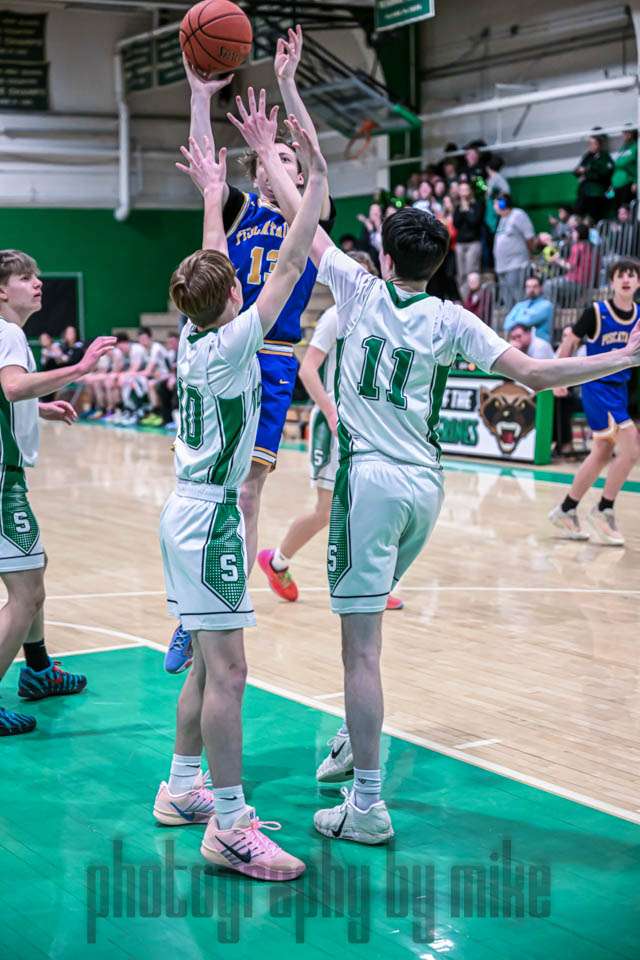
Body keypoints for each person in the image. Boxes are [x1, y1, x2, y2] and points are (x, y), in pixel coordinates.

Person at [250, 109, 640, 843]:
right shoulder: (454, 318)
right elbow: (537, 376)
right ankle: (352, 735)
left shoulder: (358, 289)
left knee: (360, 649)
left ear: (384, 256)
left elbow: (307, 222)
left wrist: (270, 152)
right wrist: (623, 355)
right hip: (428, 489)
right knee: (368, 629)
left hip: (369, 485)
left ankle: (367, 805)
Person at [154, 110, 327, 877]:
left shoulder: (194, 335)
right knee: (229, 674)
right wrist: (303, 172)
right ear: (233, 295)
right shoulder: (235, 341)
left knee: (206, 664)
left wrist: (211, 192)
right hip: (212, 522)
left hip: (183, 511)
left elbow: (214, 259)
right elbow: (289, 260)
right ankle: (228, 825)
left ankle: (181, 788)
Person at [164, 28, 336, 673]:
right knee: (205, 485)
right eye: (273, 157)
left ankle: (224, 598)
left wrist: (289, 90)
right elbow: (207, 173)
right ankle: (190, 610)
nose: (282, 162)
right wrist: (198, 98)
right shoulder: (238, 210)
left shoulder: (308, 217)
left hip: (273, 355)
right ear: (257, 167)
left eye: (291, 158)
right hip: (221, 347)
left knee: (248, 492)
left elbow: (316, 171)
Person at [0, 249, 115, 736]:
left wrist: (37, 409)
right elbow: (11, 388)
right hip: (2, 480)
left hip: (7, 476)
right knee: (26, 594)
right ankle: (34, 670)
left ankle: (39, 668)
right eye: (25, 277)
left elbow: (8, 394)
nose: (37, 283)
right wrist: (79, 367)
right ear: (1, 290)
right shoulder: (7, 333)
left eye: (37, 276)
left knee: (35, 565)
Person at [257, 250, 402, 612]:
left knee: (371, 504)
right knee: (326, 511)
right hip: (333, 423)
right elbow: (308, 370)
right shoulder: (335, 317)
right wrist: (333, 413)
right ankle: (277, 561)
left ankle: (372, 584)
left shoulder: (381, 318)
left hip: (368, 424)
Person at [549, 259, 640, 545]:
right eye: (620, 275)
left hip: (620, 390)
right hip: (597, 386)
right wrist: (559, 378)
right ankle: (603, 509)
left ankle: (566, 509)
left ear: (638, 282)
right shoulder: (597, 312)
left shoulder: (639, 315)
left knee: (601, 452)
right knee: (632, 446)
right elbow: (570, 341)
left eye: (631, 275)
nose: (626, 279)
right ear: (611, 282)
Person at [493, 194, 537, 309]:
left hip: (515, 264)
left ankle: (526, 318)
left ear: (503, 204)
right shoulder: (502, 218)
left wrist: (531, 253)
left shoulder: (518, 215)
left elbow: (529, 236)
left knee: (519, 297)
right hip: (502, 266)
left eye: (496, 203)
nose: (494, 207)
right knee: (508, 301)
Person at [543, 222, 598, 307]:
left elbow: (570, 266)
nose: (572, 235)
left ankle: (554, 311)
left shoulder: (578, 246)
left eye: (574, 232)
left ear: (578, 234)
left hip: (576, 281)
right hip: (590, 281)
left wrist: (557, 260)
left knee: (548, 285)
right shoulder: (592, 247)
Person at [452, 181, 483, 299]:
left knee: (472, 271)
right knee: (461, 274)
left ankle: (475, 300)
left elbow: (474, 221)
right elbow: (456, 224)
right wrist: (462, 209)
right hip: (460, 243)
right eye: (461, 190)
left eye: (466, 189)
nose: (464, 193)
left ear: (470, 191)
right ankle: (465, 299)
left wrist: (466, 209)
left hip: (473, 242)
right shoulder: (457, 207)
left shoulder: (477, 205)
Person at [574, 134, 614, 223]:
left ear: (599, 145)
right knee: (576, 216)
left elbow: (606, 172)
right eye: (590, 144)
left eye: (594, 144)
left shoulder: (604, 156)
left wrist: (588, 170)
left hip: (597, 194)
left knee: (595, 218)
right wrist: (580, 171)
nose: (591, 146)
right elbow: (576, 171)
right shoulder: (588, 156)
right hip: (584, 192)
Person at [503, 275, 554, 343]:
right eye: (528, 287)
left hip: (539, 342)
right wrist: (521, 320)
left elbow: (528, 321)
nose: (531, 289)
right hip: (521, 343)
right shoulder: (520, 305)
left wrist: (515, 320)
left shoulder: (546, 305)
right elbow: (507, 324)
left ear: (541, 288)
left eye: (535, 286)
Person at [611, 127, 637, 207]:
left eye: (627, 132)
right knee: (617, 209)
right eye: (624, 133)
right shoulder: (623, 148)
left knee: (625, 210)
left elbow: (637, 166)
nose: (624, 135)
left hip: (627, 183)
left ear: (632, 134)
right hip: (616, 184)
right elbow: (617, 166)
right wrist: (612, 184)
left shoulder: (636, 147)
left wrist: (636, 182)